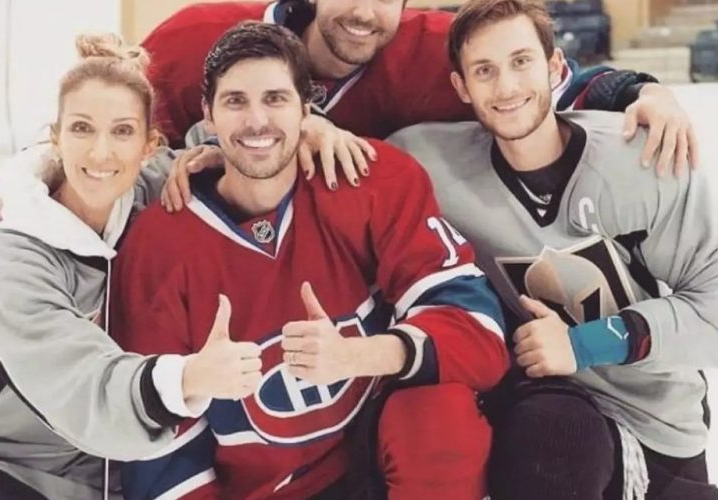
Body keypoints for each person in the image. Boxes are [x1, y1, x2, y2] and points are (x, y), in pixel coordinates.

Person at [108, 22, 508, 500]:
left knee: (440, 414)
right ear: (208, 115)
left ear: (306, 108)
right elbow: (157, 451)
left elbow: (479, 334)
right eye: (235, 102)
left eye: (275, 99)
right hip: (263, 489)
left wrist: (357, 355)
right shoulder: (157, 245)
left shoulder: (371, 179)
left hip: (374, 458)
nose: (257, 121)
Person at [0, 0, 699, 231]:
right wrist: (26, 181)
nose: (364, 12)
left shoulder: (429, 50)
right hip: (207, 281)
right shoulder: (199, 38)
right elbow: (101, 131)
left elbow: (539, 92)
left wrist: (639, 90)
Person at [387, 1, 718, 498]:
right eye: (485, 71)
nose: (506, 87)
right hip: (548, 409)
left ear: (554, 66)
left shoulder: (642, 157)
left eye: (521, 61)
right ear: (461, 87)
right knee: (552, 435)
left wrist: (584, 345)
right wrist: (315, 130)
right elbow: (352, 168)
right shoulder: (429, 162)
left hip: (656, 416)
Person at [0, 34, 226, 500]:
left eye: (122, 132)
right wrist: (187, 379)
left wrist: (309, 131)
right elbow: (84, 389)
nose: (100, 153)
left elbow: (242, 145)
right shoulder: (9, 256)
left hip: (108, 475)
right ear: (55, 138)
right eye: (82, 128)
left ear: (149, 145)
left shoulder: (149, 193)